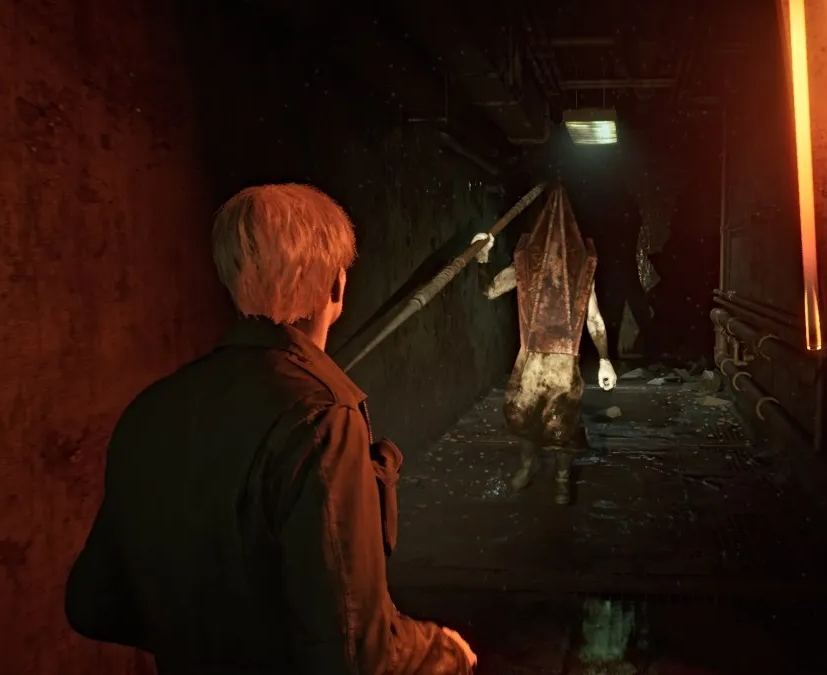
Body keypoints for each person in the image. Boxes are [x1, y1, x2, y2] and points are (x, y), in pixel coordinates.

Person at [65, 184, 477, 675]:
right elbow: (353, 655)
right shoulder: (324, 418)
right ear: (336, 288)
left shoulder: (151, 410)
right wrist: (440, 650)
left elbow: (93, 604)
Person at [472, 182, 617, 506]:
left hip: (564, 362)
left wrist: (605, 360)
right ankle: (528, 465)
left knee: (562, 424)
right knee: (523, 415)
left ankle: (562, 478)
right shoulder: (526, 266)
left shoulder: (581, 272)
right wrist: (483, 258)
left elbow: (594, 319)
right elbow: (490, 290)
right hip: (532, 357)